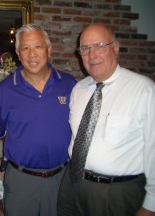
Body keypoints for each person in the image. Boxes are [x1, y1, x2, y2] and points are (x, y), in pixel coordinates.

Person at [58, 23, 155, 216]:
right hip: (72, 184)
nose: (91, 55)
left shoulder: (144, 90)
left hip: (115, 193)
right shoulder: (79, 90)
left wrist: (151, 205)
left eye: (99, 46)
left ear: (115, 47)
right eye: (85, 49)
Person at [0, 24, 76, 216]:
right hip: (21, 180)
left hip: (61, 178)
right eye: (25, 48)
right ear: (18, 53)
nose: (32, 54)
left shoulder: (70, 85)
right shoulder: (5, 90)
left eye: (38, 46)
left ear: (49, 50)